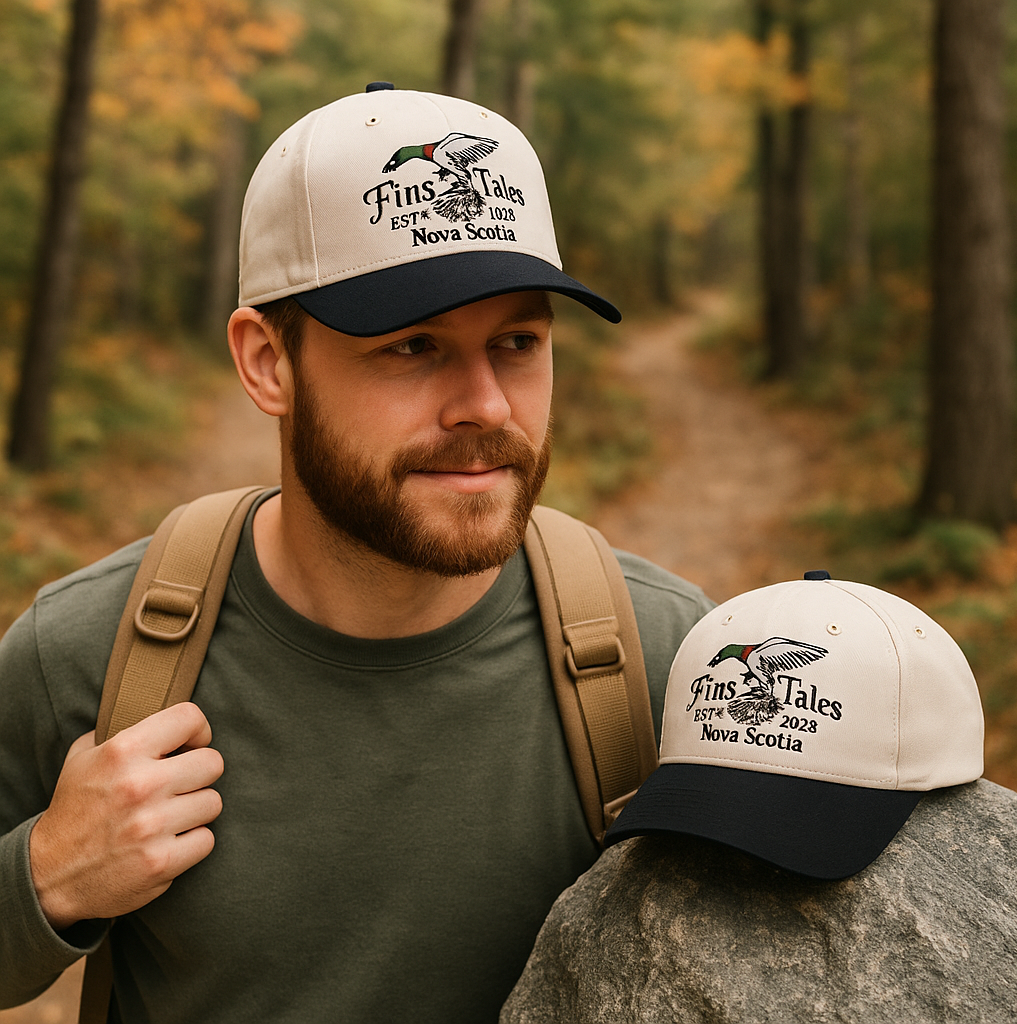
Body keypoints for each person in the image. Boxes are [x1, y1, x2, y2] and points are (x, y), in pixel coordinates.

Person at [0, 85, 712, 1023]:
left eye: (518, 341)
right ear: (268, 362)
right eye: (414, 346)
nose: (487, 406)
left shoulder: (666, 659)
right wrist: (44, 877)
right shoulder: (90, 653)